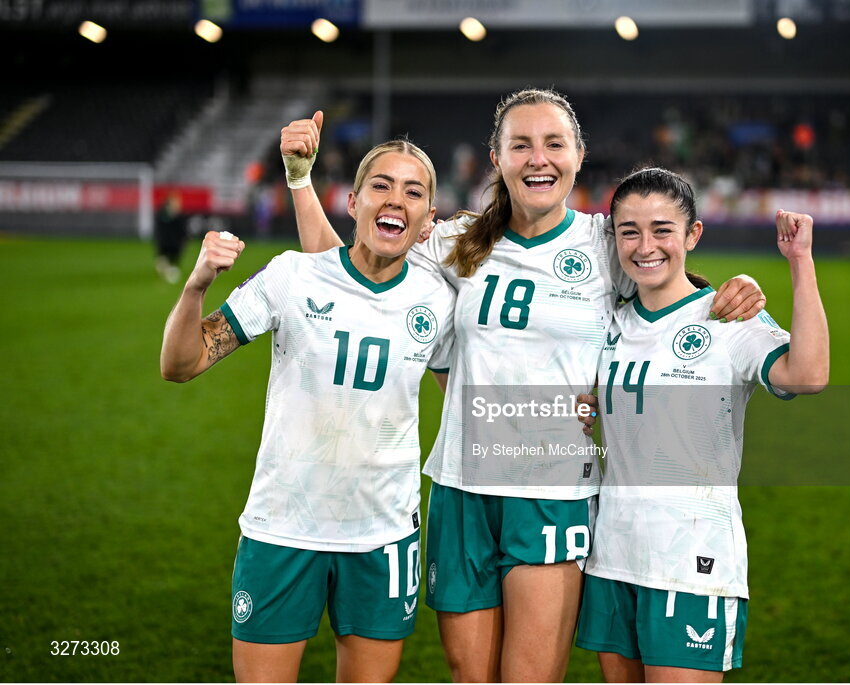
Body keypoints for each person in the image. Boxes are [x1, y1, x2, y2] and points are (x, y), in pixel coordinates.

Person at [280, 90, 768, 682]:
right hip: (462, 488)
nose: (539, 159)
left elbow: (669, 283)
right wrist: (302, 183)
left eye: (554, 144)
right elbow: (344, 283)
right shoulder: (455, 240)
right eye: (521, 145)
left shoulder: (602, 244)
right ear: (497, 158)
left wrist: (732, 287)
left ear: (579, 155)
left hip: (553, 491)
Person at [160, 140, 454, 683]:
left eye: (413, 192)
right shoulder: (292, 276)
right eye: (381, 186)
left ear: (428, 218)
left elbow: (463, 396)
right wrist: (198, 283)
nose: (395, 199)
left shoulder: (439, 300)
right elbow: (182, 363)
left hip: (383, 536)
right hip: (282, 530)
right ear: (353, 201)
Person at [575, 168, 829, 682]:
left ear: (692, 235)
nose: (646, 246)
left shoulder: (729, 321)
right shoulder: (610, 324)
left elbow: (807, 375)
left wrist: (800, 263)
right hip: (613, 555)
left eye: (663, 229)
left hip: (692, 561)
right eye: (630, 231)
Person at [154, 190, 188, 283]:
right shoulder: (163, 214)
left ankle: (170, 272)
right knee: (163, 262)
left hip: (176, 244)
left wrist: (184, 239)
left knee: (173, 261)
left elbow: (182, 230)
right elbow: (160, 229)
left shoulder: (179, 215)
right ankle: (167, 271)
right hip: (166, 243)